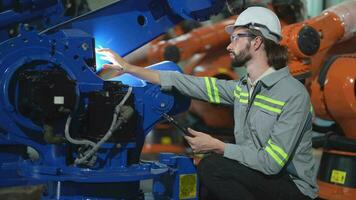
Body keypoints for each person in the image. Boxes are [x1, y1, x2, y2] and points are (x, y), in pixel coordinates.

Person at [96, 6, 318, 200]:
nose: (230, 46)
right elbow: (185, 82)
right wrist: (128, 67)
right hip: (258, 175)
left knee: (213, 167)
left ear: (257, 41)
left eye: (237, 37)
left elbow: (271, 163)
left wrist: (217, 146)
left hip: (292, 188)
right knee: (203, 186)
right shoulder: (243, 89)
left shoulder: (293, 95)